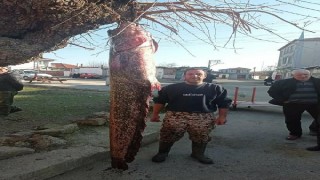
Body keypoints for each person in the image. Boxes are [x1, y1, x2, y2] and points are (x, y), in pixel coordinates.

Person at [150, 68, 231, 164]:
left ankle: (198, 154)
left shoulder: (216, 89)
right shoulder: (170, 88)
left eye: (198, 74)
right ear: (185, 76)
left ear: (204, 76)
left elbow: (224, 103)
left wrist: (222, 117)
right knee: (168, 134)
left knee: (201, 136)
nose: (194, 75)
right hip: (175, 116)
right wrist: (155, 115)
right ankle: (162, 153)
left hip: (203, 117)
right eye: (190, 74)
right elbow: (160, 101)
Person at [267, 69, 320, 140]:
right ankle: (295, 133)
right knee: (292, 120)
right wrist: (282, 100)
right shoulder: (283, 82)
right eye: (299, 75)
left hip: (315, 104)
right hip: (293, 104)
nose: (303, 76)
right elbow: (272, 91)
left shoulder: (317, 81)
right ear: (293, 75)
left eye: (306, 75)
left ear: (310, 74)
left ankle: (314, 129)